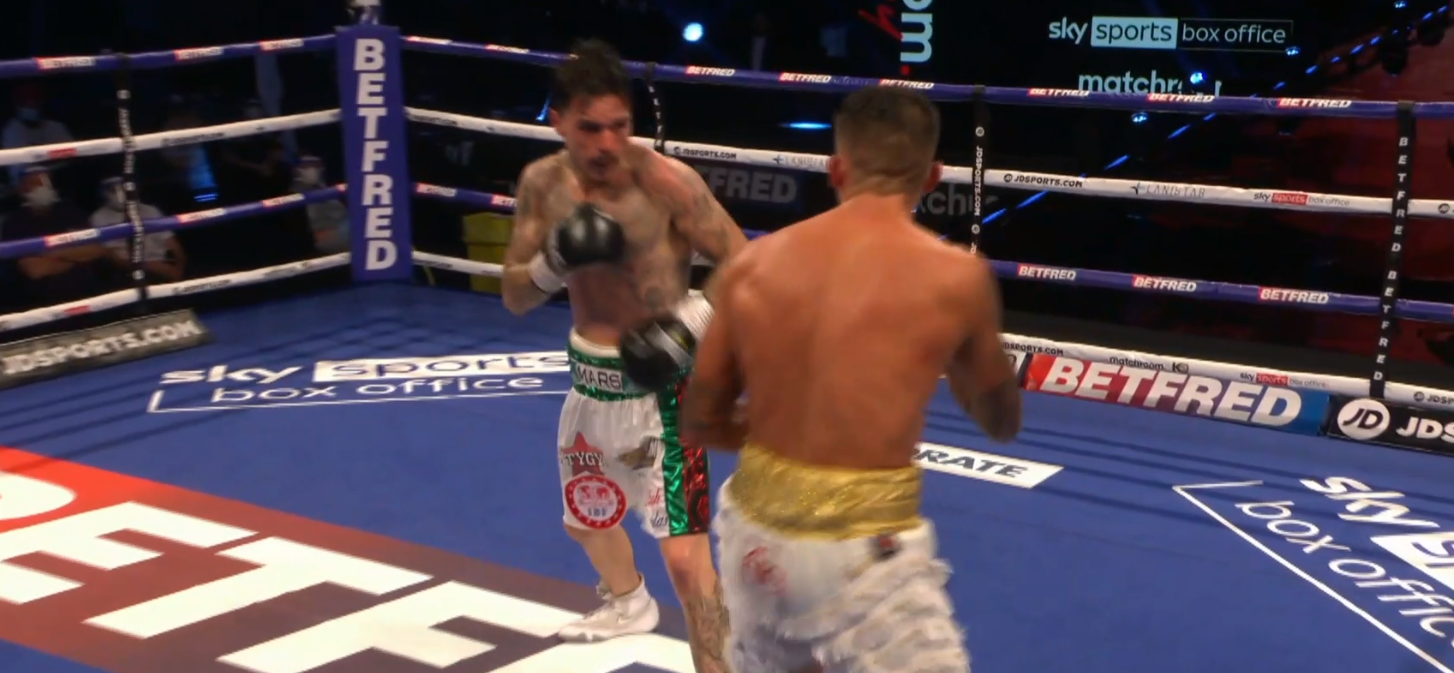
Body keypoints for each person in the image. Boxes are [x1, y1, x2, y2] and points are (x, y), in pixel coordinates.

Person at [679, 85, 1023, 672]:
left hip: (752, 537)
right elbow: (1001, 421)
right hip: (864, 546)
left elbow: (699, 421)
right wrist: (964, 358)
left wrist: (786, 432)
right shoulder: (956, 277)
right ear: (932, 177)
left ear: (836, 169)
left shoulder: (752, 266)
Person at [499, 39, 748, 672]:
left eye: (620, 125)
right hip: (589, 387)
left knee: (686, 562)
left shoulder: (667, 183)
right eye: (591, 128)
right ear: (558, 121)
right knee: (586, 520)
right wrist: (554, 261)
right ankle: (629, 602)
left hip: (666, 395)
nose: (608, 142)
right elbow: (515, 297)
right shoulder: (542, 185)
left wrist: (690, 325)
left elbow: (744, 263)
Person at [4, 166, 126, 307]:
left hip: (90, 292)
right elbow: (36, 270)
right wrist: (77, 255)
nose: (43, 187)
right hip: (48, 302)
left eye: (46, 181)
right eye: (36, 183)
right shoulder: (15, 223)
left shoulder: (69, 209)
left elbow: (96, 249)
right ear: (21, 188)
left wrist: (51, 252)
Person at [89, 177, 187, 282]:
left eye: (124, 188)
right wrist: (156, 267)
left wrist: (180, 268)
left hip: (163, 262)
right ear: (104, 193)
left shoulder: (150, 210)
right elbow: (112, 256)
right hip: (129, 270)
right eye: (114, 190)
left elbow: (172, 242)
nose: (120, 194)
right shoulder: (98, 217)